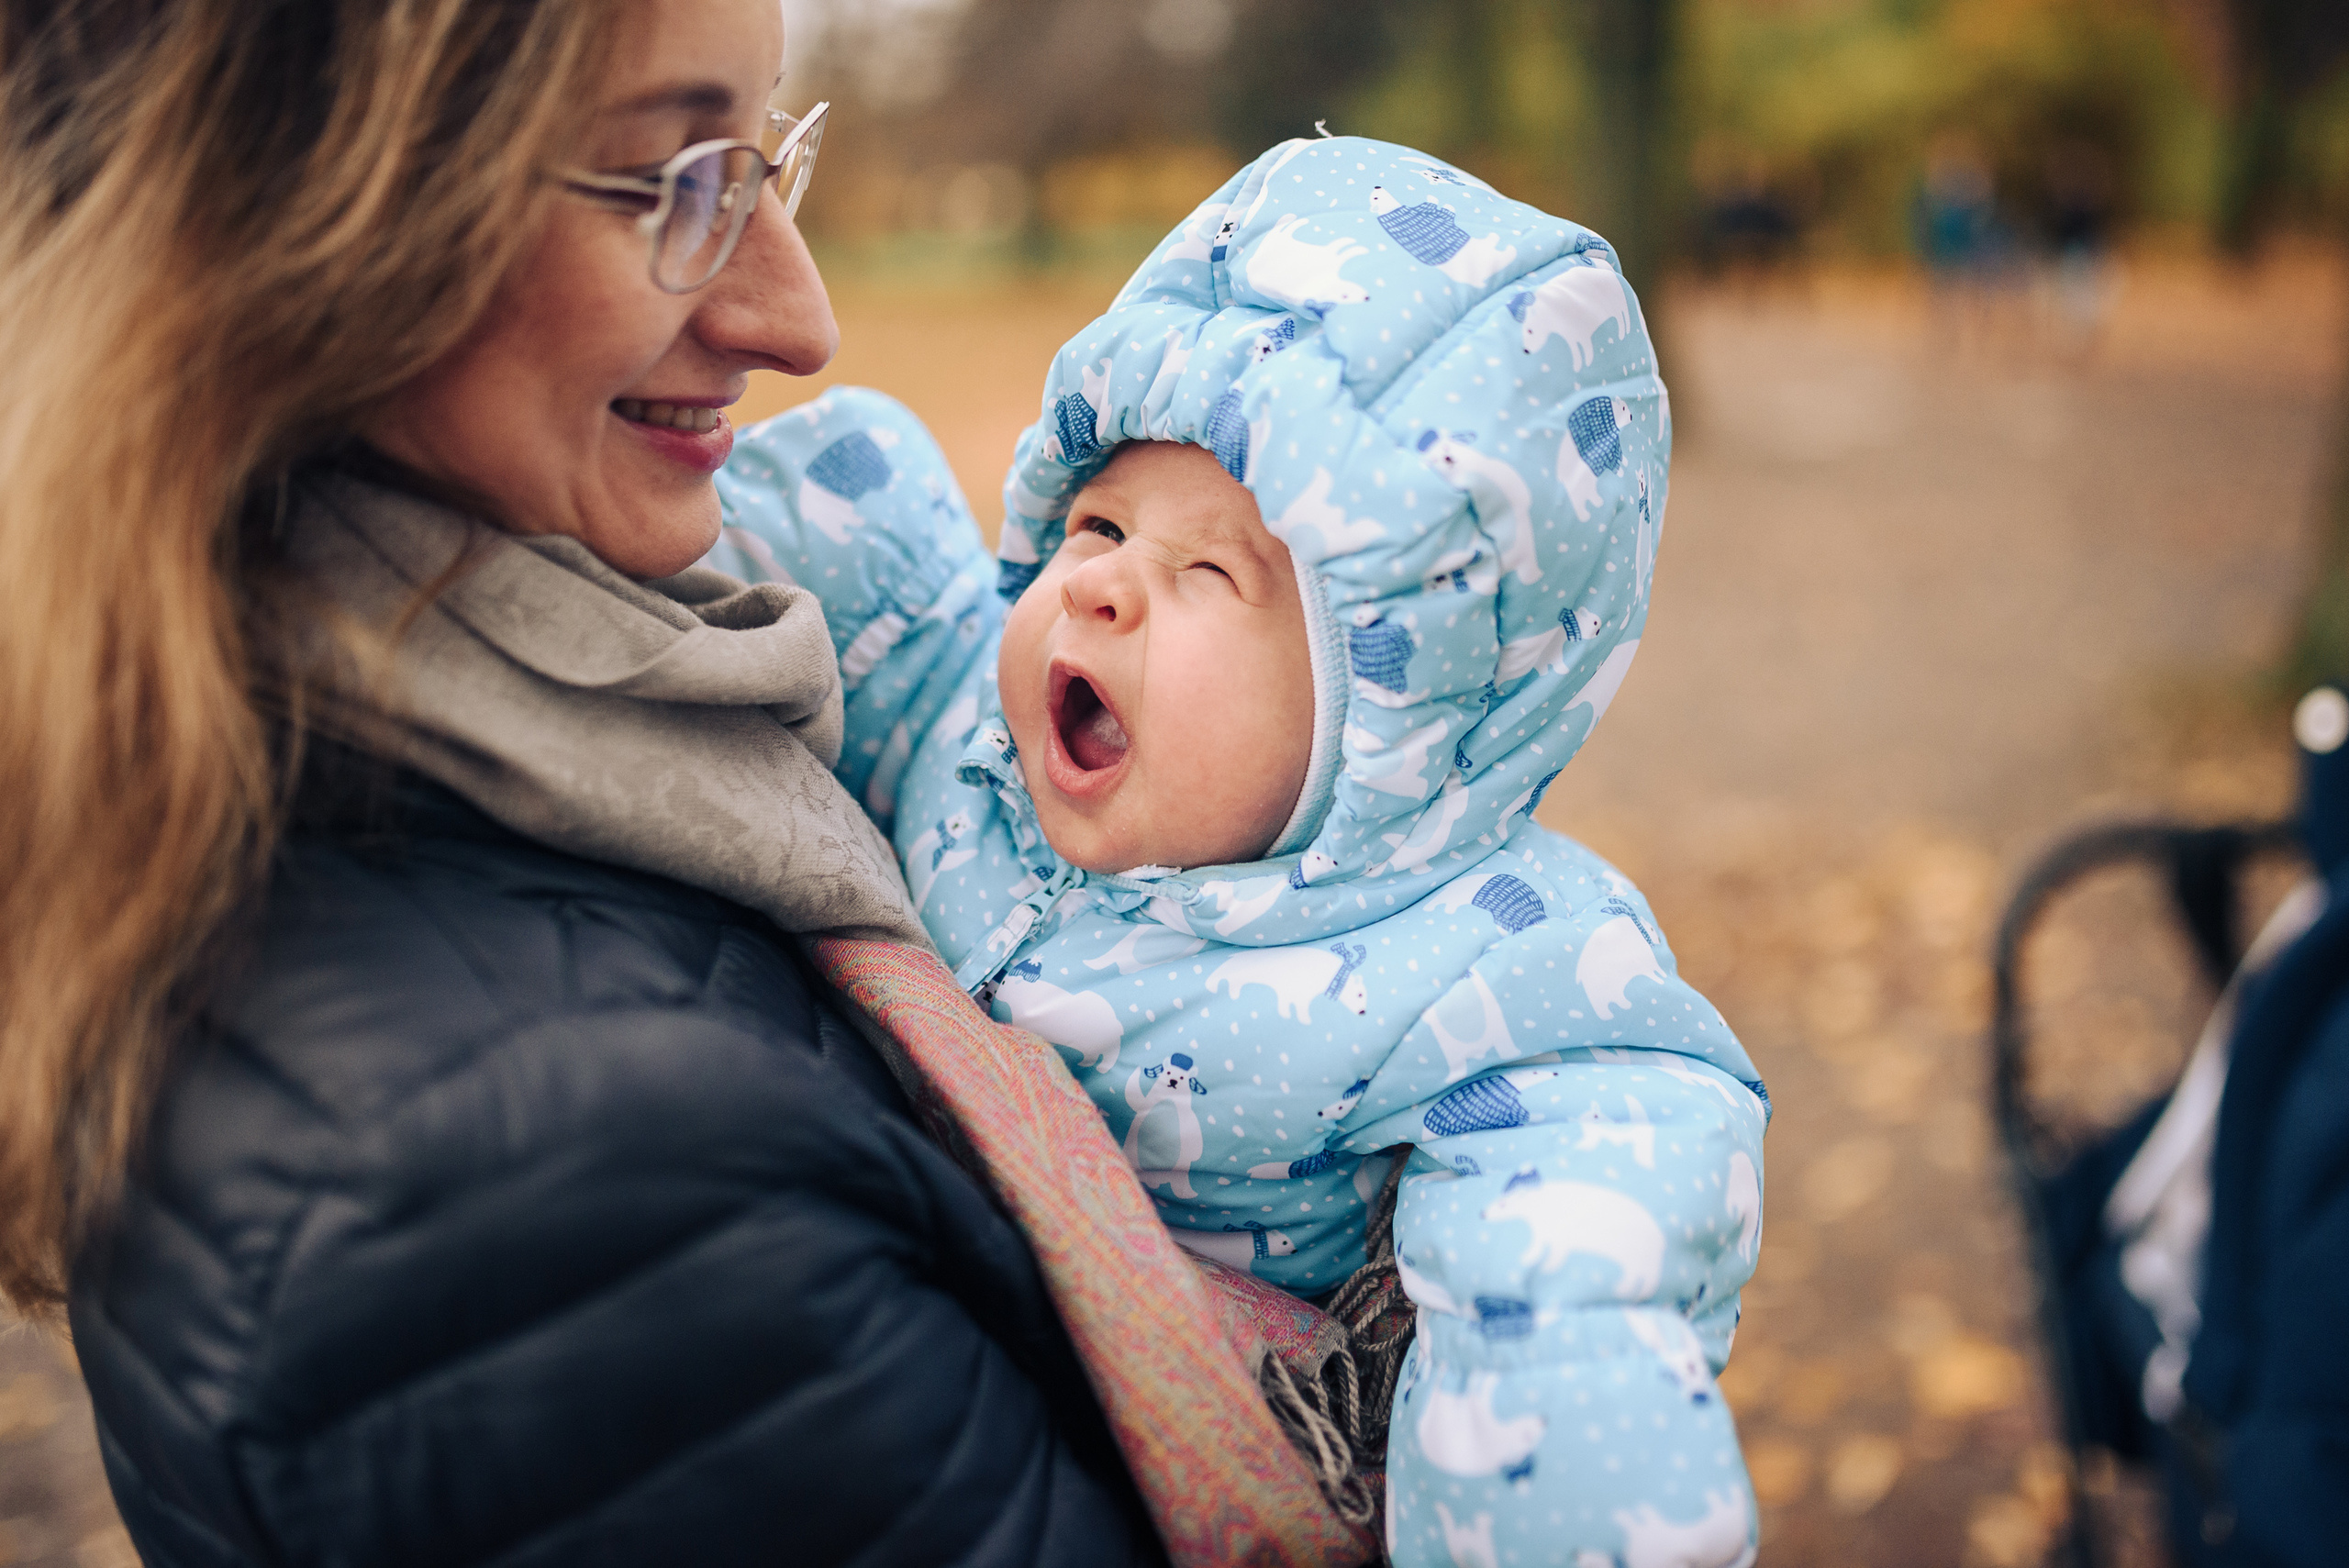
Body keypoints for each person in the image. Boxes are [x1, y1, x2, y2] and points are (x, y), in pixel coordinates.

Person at [0, 3, 1165, 1563]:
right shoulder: (536, 1180)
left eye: (765, 158)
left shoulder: (371, 776)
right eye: (671, 178)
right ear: (285, 222)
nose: (796, 318)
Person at [707, 137, 1771, 1567]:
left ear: (1387, 712)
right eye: (1094, 523)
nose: (1099, 583)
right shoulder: (962, 719)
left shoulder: (1490, 964)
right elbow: (817, 589)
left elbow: (1572, 1274)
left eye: (1208, 571)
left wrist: (1553, 1474)